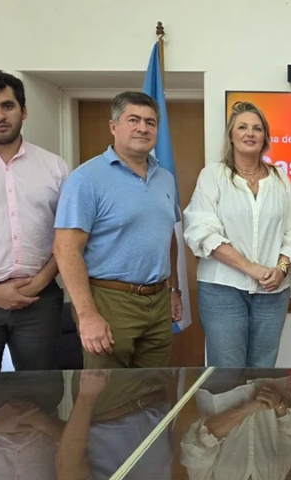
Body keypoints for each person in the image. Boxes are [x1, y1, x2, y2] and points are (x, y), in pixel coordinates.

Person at [53, 91, 182, 369]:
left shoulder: (165, 179)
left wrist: (174, 290)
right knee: (106, 390)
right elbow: (66, 249)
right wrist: (87, 315)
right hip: (109, 301)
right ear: (113, 126)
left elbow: (167, 237)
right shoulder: (86, 179)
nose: (142, 128)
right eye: (133, 120)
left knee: (154, 387)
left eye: (150, 122)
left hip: (158, 301)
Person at [183, 101, 291, 368]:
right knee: (227, 370)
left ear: (265, 137)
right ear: (231, 135)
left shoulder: (280, 178)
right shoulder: (213, 175)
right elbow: (202, 231)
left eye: (257, 128)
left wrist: (281, 268)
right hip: (222, 289)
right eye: (242, 127)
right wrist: (252, 269)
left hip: (273, 291)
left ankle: (258, 402)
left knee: (263, 369)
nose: (250, 133)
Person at [0, 68, 67, 373]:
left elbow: (68, 237)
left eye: (8, 105)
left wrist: (40, 282)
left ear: (23, 111)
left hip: (39, 299)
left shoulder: (54, 167)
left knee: (42, 389)